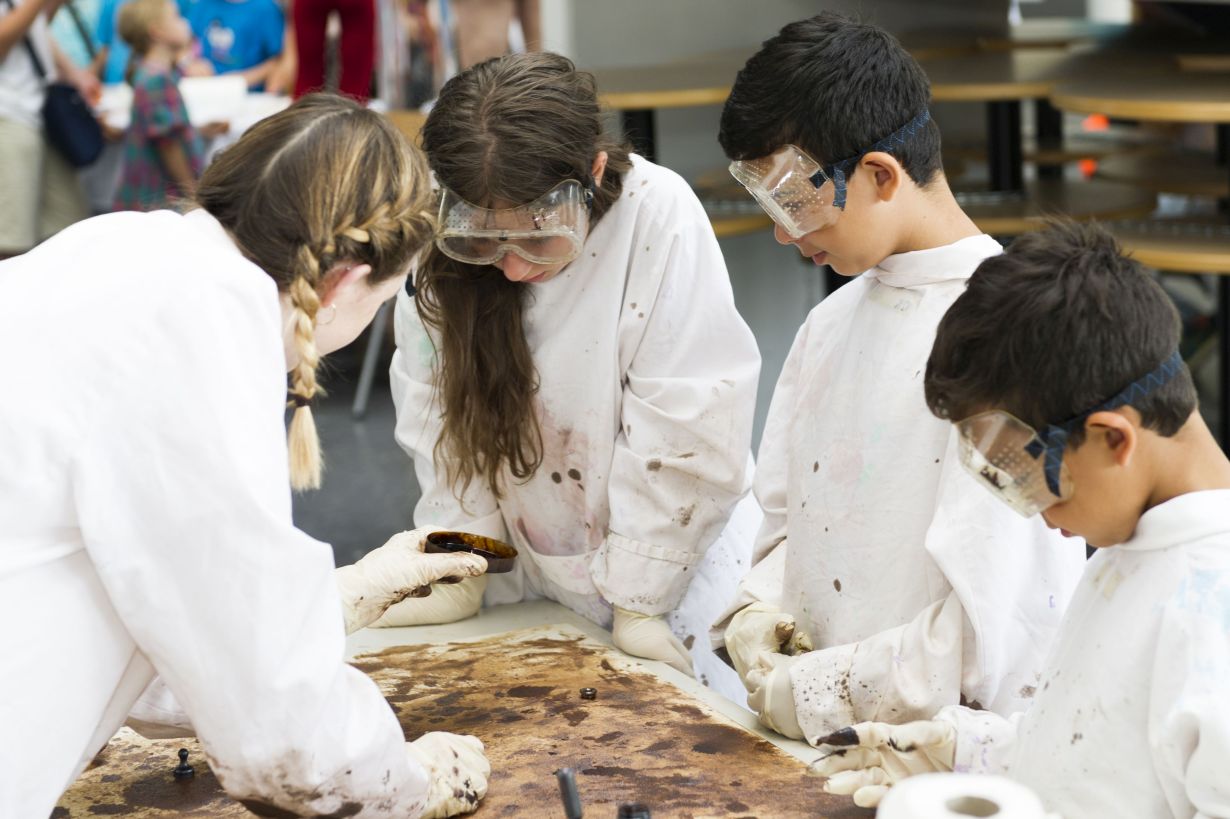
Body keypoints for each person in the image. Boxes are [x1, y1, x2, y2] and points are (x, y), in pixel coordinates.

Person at [0, 94, 492, 818]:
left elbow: (162, 600)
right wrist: (405, 784)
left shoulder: (118, 251)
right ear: (346, 283)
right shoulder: (198, 327)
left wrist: (335, 597)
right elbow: (279, 736)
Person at [711, 13, 1085, 741]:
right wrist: (758, 608)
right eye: (769, 207)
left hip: (947, 757)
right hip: (823, 746)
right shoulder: (830, 323)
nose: (785, 234)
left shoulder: (1010, 330)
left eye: (796, 203)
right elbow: (792, 522)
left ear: (880, 174)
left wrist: (822, 690)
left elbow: (991, 627)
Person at [812, 222, 1230, 819]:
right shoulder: (1130, 548)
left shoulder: (1213, 608)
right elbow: (1102, 752)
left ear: (1113, 439)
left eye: (1029, 478)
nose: (1031, 509)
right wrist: (971, 753)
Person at [382, 52, 763, 700]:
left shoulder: (655, 215)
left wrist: (642, 598)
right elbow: (440, 428)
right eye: (484, 241)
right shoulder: (440, 258)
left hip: (678, 568)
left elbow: (690, 421)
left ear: (591, 173)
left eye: (540, 238)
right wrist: (463, 563)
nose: (512, 268)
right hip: (538, 577)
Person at [0, 0, 94, 257]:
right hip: (8, 117)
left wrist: (75, 74)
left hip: (38, 116)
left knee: (69, 228)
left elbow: (35, 30)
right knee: (10, 242)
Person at [111, 0, 219, 210]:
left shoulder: (152, 71)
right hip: (158, 200)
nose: (184, 22)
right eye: (176, 17)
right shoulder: (157, 79)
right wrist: (192, 194)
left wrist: (198, 131)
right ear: (157, 32)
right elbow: (168, 144)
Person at [179, 0, 283, 88]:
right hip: (205, 88)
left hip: (248, 96)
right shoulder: (204, 5)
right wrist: (190, 63)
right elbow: (183, 44)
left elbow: (278, 60)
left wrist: (242, 80)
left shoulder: (265, 9)